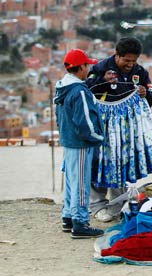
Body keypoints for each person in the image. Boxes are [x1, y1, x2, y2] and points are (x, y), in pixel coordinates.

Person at [86, 37, 152, 223]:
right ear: (117, 55)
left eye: (134, 61)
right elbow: (86, 90)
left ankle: (116, 206)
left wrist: (145, 94)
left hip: (126, 129)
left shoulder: (140, 72)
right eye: (127, 60)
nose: (130, 64)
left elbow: (151, 94)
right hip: (102, 127)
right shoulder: (100, 68)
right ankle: (97, 205)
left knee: (120, 166)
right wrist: (102, 80)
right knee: (99, 163)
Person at [54, 49, 104, 239]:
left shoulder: (62, 87)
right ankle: (80, 223)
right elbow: (84, 121)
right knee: (81, 184)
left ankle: (68, 217)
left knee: (71, 181)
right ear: (80, 67)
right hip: (81, 143)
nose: (89, 69)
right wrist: (98, 138)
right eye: (87, 65)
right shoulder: (79, 91)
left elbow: (61, 119)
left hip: (68, 141)